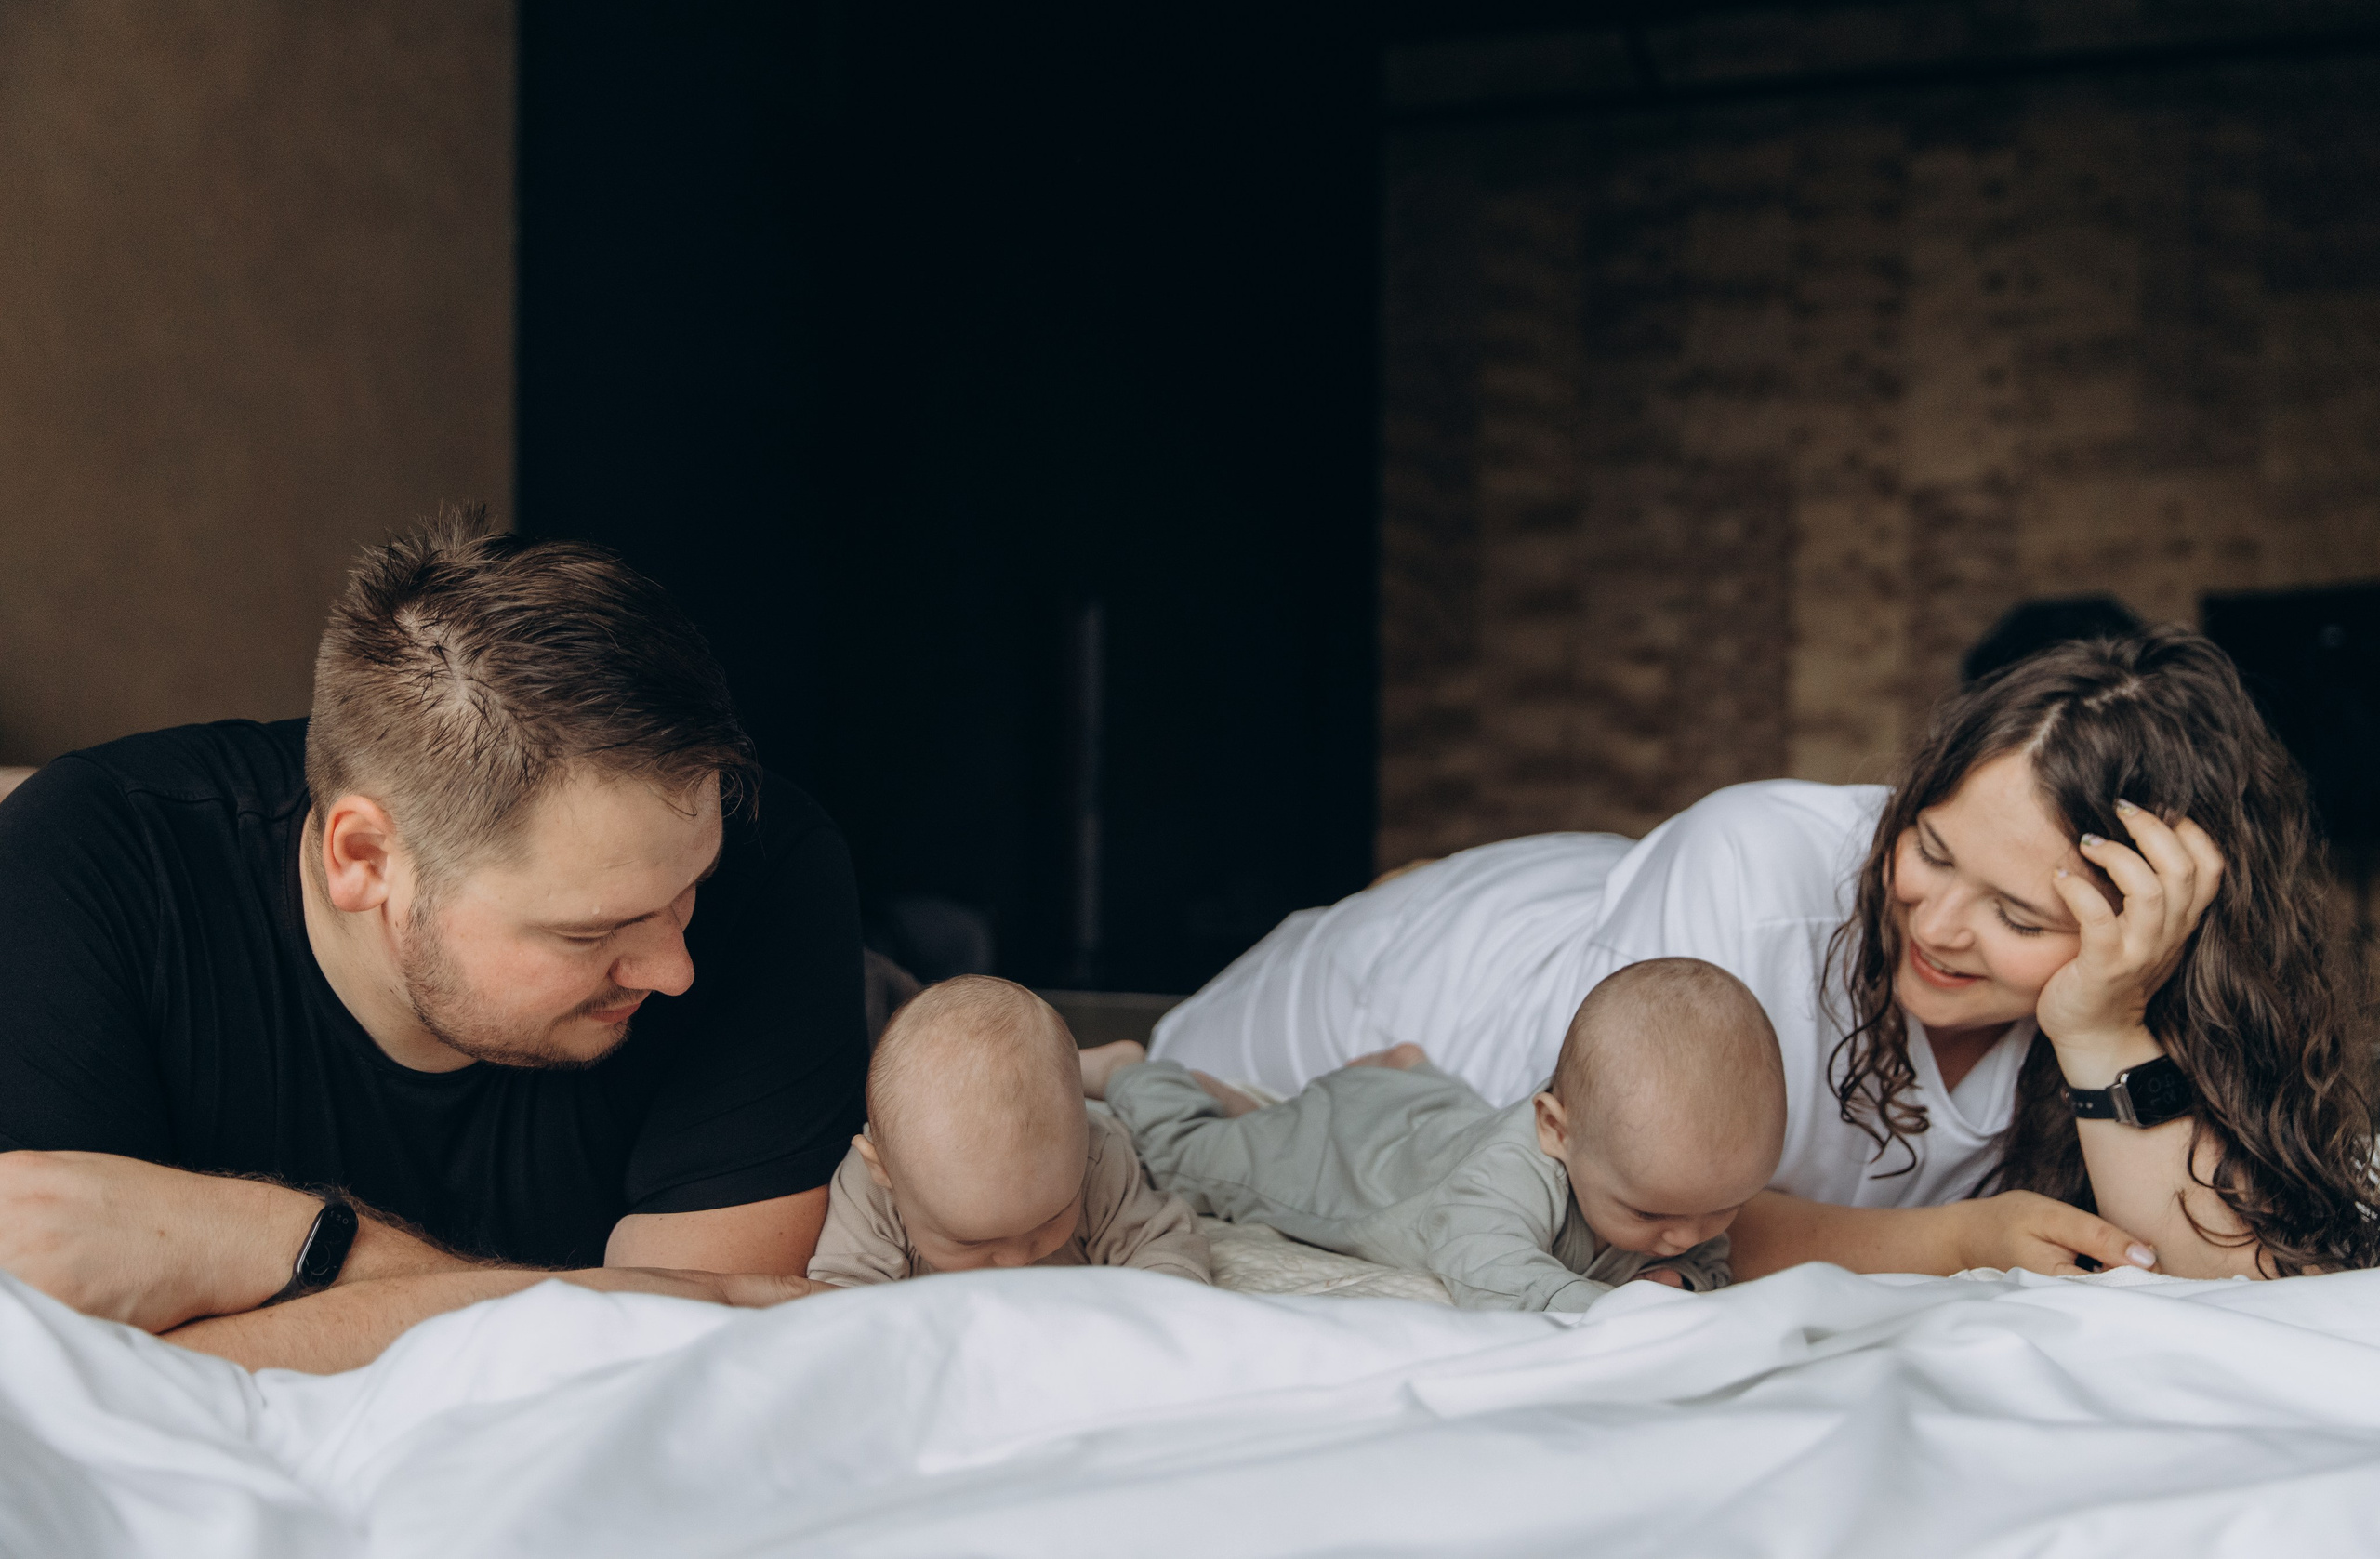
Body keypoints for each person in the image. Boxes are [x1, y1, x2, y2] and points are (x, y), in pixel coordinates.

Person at [1151, 629, 2380, 1281]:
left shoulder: (2125, 993)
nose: (1938, 925)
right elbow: (1609, 1212)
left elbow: (2225, 1275)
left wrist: (2106, 1029)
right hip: (1402, 990)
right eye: (1929, 848)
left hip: (1613, 900)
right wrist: (1950, 1239)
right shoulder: (1758, 871)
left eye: (2019, 914)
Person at [0, 520, 870, 1371]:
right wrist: (595, 1304)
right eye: (590, 929)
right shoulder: (84, 868)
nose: (675, 970)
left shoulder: (772, 867)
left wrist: (276, 1242)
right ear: (364, 858)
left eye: (688, 892)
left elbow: (677, 1377)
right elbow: (68, 1392)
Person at [1087, 958, 1783, 1311]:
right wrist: (1621, 1313)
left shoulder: (1671, 1190)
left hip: (1429, 1118)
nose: (1686, 1235)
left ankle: (1399, 1074)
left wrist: (1682, 1282)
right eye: (1649, 1214)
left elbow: (1704, 1259)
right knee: (1191, 1159)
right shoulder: (1504, 1181)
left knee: (1441, 1122)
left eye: (1724, 1208)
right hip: (1351, 1157)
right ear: (1554, 1129)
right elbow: (1492, 1270)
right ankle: (1133, 1071)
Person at [808, 976, 1210, 1286]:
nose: (1018, 1259)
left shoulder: (1098, 1159)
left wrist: (1156, 1314)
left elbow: (1165, 1247)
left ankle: (1127, 1074)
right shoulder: (871, 1189)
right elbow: (842, 1301)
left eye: (1051, 1218)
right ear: (883, 1170)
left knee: (1186, 1147)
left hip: (1131, 1133)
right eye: (969, 1241)